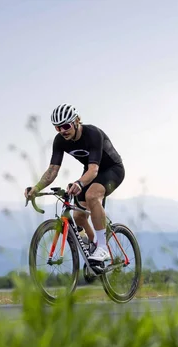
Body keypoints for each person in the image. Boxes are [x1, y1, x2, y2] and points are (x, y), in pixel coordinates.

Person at [25, 103, 125, 262]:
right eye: (58, 128)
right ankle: (95, 245)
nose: (63, 131)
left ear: (77, 120)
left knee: (92, 195)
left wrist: (79, 183)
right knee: (78, 215)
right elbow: (52, 171)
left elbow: (93, 170)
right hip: (90, 173)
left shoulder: (92, 134)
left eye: (65, 125)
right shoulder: (60, 141)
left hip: (112, 170)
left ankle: (103, 248)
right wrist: (36, 188)